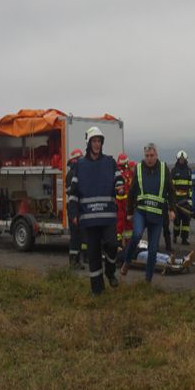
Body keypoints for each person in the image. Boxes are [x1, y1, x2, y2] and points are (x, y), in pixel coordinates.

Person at [67, 126, 123, 295]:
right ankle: (97, 290)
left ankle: (110, 271)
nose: (97, 144)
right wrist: (73, 213)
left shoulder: (110, 162)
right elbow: (73, 193)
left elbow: (119, 177)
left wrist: (119, 186)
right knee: (93, 255)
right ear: (89, 143)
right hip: (89, 219)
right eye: (94, 141)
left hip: (107, 217)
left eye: (99, 141)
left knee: (113, 245)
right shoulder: (80, 166)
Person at [121, 143, 177, 283]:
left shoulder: (164, 169)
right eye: (147, 156)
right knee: (137, 235)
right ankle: (127, 261)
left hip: (157, 216)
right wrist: (129, 212)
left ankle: (147, 281)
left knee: (152, 250)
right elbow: (132, 191)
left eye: (152, 156)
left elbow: (171, 191)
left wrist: (172, 209)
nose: (149, 159)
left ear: (156, 155)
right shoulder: (138, 169)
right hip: (141, 212)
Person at [65, 148, 84, 268]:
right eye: (79, 159)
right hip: (74, 208)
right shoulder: (71, 174)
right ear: (75, 160)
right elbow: (69, 192)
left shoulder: (77, 172)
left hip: (79, 208)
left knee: (79, 236)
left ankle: (77, 261)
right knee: (75, 236)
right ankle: (73, 262)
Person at [171, 150, 193, 245]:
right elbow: (171, 187)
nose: (182, 160)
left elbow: (191, 186)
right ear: (178, 159)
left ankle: (184, 238)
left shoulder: (189, 171)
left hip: (186, 200)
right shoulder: (174, 171)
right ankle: (175, 236)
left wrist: (190, 199)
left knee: (186, 221)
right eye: (180, 159)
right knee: (176, 220)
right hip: (177, 200)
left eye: (183, 159)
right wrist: (172, 200)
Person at [115, 153, 134, 251]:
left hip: (124, 204)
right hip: (122, 204)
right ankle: (120, 245)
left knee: (125, 225)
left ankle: (127, 246)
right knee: (122, 224)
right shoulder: (121, 174)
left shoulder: (126, 173)